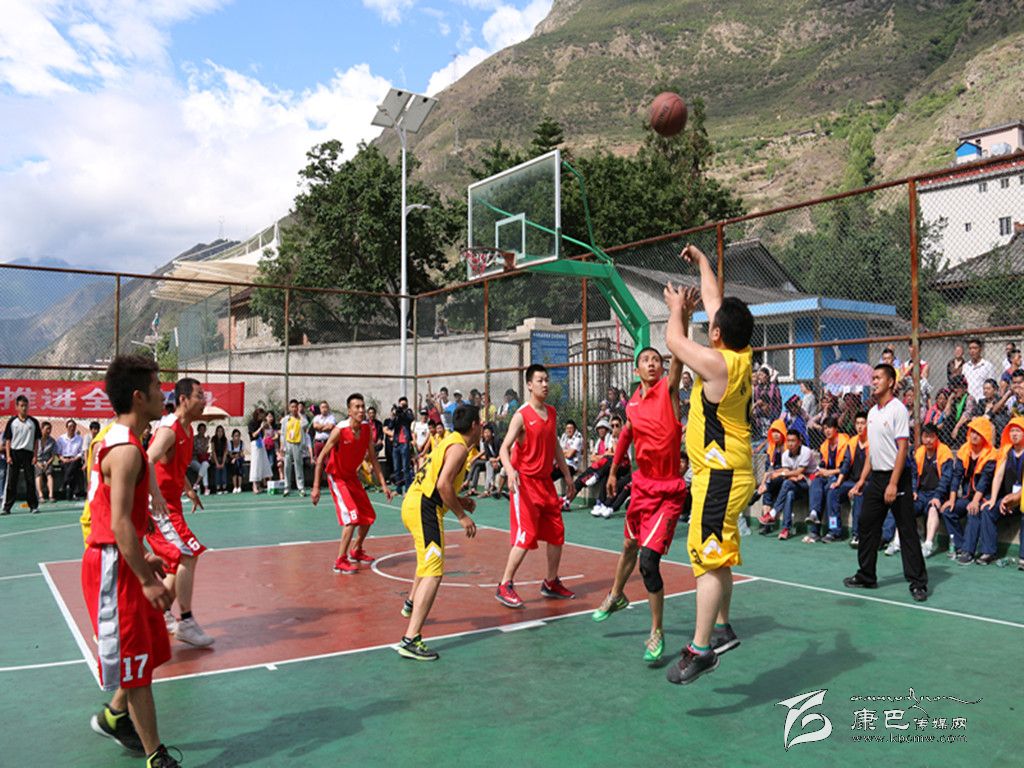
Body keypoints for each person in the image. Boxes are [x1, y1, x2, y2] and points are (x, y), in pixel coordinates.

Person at [80, 355, 182, 768]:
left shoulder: (125, 440)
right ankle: (157, 756)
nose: (163, 393)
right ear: (139, 397)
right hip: (112, 568)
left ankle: (115, 716)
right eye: (157, 386)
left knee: (148, 651)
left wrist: (144, 558)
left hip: (122, 559)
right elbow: (119, 522)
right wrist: (146, 578)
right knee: (136, 664)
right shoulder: (125, 450)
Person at [662, 243, 756, 685]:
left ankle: (701, 650)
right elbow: (715, 301)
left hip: (720, 474)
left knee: (707, 558)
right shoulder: (740, 352)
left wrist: (677, 310)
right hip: (728, 470)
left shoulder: (718, 365)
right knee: (718, 556)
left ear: (717, 334)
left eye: (711, 325)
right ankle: (722, 627)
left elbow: (674, 342)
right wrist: (702, 262)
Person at [591, 346, 686, 665]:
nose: (652, 364)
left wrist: (681, 321)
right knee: (629, 545)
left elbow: (678, 359)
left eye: (657, 360)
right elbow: (626, 437)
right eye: (646, 360)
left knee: (648, 562)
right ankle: (616, 595)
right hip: (642, 487)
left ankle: (657, 631)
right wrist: (613, 471)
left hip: (667, 491)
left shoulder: (668, 392)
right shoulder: (632, 403)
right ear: (637, 370)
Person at [396, 404, 481, 661]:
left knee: (427, 563)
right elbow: (443, 484)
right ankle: (411, 639)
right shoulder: (459, 448)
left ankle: (411, 603)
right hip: (425, 508)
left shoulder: (449, 440)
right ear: (475, 425)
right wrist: (462, 515)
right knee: (434, 571)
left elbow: (438, 482)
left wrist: (460, 501)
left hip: (414, 503)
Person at [494, 364, 577, 608]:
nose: (545, 384)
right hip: (525, 484)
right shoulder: (521, 415)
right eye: (540, 380)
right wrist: (510, 472)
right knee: (526, 535)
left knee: (557, 533)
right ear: (529, 385)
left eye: (547, 380)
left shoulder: (551, 412)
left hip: (546, 483)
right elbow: (503, 448)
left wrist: (567, 476)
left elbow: (555, 446)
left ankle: (551, 582)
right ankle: (504, 584)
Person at [845, 364, 928, 602]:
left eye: (878, 378)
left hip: (897, 477)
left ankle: (918, 583)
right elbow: (873, 452)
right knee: (866, 524)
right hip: (877, 478)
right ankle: (866, 575)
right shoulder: (872, 413)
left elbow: (902, 449)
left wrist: (893, 484)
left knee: (907, 529)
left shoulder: (897, 409)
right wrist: (862, 480)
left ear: (891, 382)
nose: (873, 382)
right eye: (872, 378)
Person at [146, 378, 215, 647]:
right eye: (199, 395)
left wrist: (188, 490)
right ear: (183, 399)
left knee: (178, 563)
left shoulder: (187, 429)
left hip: (172, 504)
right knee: (188, 553)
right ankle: (186, 622)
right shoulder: (170, 428)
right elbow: (147, 459)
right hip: (159, 507)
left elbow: (173, 466)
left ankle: (157, 613)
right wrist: (155, 495)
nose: (204, 400)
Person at [311, 393, 393, 574]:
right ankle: (340, 560)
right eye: (357, 407)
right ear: (349, 411)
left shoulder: (366, 429)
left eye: (363, 407)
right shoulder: (340, 430)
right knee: (352, 518)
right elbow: (321, 457)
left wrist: (384, 485)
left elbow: (374, 458)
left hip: (351, 477)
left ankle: (356, 550)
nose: (361, 410)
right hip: (337, 477)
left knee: (368, 515)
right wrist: (316, 487)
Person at [940, 417, 996, 564]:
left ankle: (968, 551)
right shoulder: (964, 450)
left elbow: (984, 482)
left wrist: (976, 501)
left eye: (978, 433)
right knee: (948, 511)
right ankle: (959, 545)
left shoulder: (991, 454)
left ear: (985, 435)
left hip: (983, 497)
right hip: (966, 495)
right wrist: (952, 500)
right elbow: (956, 477)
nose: (974, 435)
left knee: (973, 511)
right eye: (972, 432)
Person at [907, 424, 953, 558]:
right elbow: (914, 475)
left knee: (933, 509)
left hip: (938, 494)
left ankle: (928, 544)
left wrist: (938, 496)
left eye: (932, 437)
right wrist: (913, 490)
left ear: (937, 437)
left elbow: (946, 479)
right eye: (926, 436)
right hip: (921, 493)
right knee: (906, 506)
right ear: (921, 438)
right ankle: (898, 541)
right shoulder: (919, 452)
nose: (928, 440)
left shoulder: (945, 452)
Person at [826, 411, 868, 544]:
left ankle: (857, 534)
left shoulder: (873, 442)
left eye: (863, 423)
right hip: (851, 482)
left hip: (867, 483)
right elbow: (846, 464)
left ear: (868, 425)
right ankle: (834, 530)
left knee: (859, 495)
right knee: (832, 492)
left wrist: (859, 485)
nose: (860, 426)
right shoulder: (852, 442)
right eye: (857, 423)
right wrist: (838, 482)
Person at [805, 416, 846, 542]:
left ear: (836, 429)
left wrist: (828, 472)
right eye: (825, 428)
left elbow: (846, 468)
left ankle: (834, 531)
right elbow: (823, 463)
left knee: (830, 492)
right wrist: (820, 471)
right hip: (829, 476)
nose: (827, 431)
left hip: (842, 478)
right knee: (816, 482)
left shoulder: (845, 443)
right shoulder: (824, 445)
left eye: (830, 428)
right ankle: (814, 518)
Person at [2, 395, 41, 515]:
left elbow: (36, 441)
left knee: (30, 481)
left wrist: (35, 456)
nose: (24, 408)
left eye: (26, 406)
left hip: (28, 453)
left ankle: (33, 506)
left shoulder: (33, 422)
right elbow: (8, 440)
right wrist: (8, 456)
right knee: (11, 481)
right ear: (17, 407)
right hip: (14, 453)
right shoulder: (12, 422)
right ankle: (7, 507)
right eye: (21, 406)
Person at [280, 399, 308, 497]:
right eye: (292, 407)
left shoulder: (301, 419)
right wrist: (282, 446)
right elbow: (282, 433)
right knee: (287, 466)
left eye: (296, 407)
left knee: (298, 466)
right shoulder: (285, 420)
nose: (294, 409)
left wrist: (300, 415)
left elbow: (306, 424)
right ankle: (287, 487)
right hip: (288, 444)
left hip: (298, 444)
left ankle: (301, 488)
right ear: (289, 408)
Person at [56, 418, 85, 501]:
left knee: (73, 465)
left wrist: (75, 458)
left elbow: (81, 452)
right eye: (70, 427)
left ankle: (64, 484)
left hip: (75, 459)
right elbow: (58, 452)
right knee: (71, 470)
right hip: (64, 459)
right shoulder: (61, 438)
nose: (72, 428)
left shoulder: (79, 439)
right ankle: (73, 493)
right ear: (66, 427)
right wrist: (62, 459)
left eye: (73, 427)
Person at [247, 408, 272, 493]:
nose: (262, 416)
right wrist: (261, 428)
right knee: (255, 464)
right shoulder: (251, 423)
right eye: (261, 415)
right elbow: (253, 435)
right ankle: (254, 485)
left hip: (261, 443)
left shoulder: (262, 422)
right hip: (255, 444)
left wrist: (266, 424)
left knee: (262, 463)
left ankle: (259, 484)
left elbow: (268, 431)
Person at [35, 420, 57, 503]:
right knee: (39, 474)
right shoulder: (36, 440)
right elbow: (32, 454)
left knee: (49, 474)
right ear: (41, 429)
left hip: (48, 461)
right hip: (37, 461)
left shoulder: (52, 441)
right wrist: (37, 463)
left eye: (50, 429)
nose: (49, 431)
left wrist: (47, 463)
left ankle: (51, 495)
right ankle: (40, 495)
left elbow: (53, 455)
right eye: (47, 429)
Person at [189, 423, 210, 495]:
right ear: (198, 430)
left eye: (204, 429)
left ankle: (196, 484)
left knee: (205, 464)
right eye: (201, 429)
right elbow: (194, 449)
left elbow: (205, 450)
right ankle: (206, 488)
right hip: (194, 459)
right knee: (204, 469)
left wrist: (206, 442)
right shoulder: (194, 438)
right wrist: (200, 451)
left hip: (202, 459)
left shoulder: (206, 439)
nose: (202, 431)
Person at [210, 425, 228, 494]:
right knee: (217, 469)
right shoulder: (213, 439)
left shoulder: (225, 439)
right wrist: (217, 463)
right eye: (218, 431)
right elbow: (213, 451)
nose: (220, 433)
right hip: (215, 458)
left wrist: (223, 463)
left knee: (224, 468)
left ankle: (224, 487)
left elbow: (225, 452)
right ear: (216, 432)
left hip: (223, 457)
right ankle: (218, 488)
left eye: (221, 431)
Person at [228, 429, 244, 493]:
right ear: (232, 436)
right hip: (231, 459)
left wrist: (236, 458)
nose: (237, 437)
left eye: (238, 436)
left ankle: (239, 486)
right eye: (235, 436)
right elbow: (230, 454)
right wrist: (234, 457)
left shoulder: (242, 443)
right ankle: (235, 487)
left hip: (239, 459)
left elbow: (241, 454)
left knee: (239, 465)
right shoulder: (230, 443)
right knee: (234, 466)